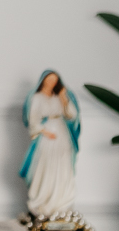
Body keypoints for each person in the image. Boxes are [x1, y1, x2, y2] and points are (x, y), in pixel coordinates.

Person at [19, 70, 80, 218]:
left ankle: (61, 203)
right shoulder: (37, 97)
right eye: (49, 79)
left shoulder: (59, 97)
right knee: (45, 165)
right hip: (47, 136)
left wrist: (63, 97)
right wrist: (44, 131)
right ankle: (43, 202)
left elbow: (71, 115)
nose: (52, 82)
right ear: (44, 80)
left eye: (55, 80)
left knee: (63, 165)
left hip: (62, 134)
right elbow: (33, 119)